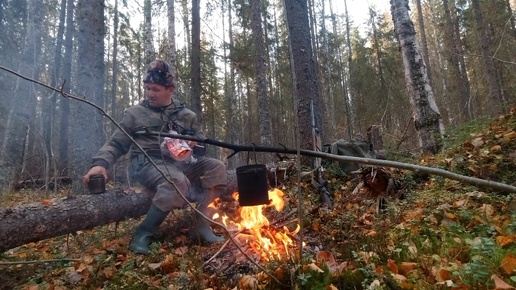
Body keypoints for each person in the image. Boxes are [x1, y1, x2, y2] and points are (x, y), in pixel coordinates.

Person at [83, 59, 227, 254]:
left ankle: (201, 224)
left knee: (217, 167)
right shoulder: (135, 114)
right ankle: (142, 235)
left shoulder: (186, 116)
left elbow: (201, 147)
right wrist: (100, 164)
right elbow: (116, 143)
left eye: (156, 89)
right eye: (148, 88)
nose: (150, 94)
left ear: (170, 90)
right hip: (148, 164)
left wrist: (195, 144)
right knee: (176, 181)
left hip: (181, 164)